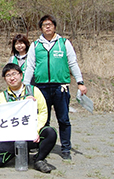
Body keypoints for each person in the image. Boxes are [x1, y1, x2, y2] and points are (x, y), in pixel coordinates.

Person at [23, 15, 88, 160]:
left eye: (50, 24)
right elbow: (30, 66)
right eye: (45, 25)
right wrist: (26, 86)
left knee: (63, 119)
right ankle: (43, 149)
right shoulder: (35, 45)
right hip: (41, 87)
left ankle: (66, 149)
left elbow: (73, 63)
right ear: (40, 28)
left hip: (61, 87)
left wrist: (80, 82)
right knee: (43, 120)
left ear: (54, 27)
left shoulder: (64, 43)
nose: (47, 27)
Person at [0, 63, 57, 173]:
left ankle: (39, 159)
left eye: (14, 74)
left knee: (50, 132)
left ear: (21, 75)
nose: (12, 78)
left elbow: (43, 112)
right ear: (4, 79)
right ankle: (18, 153)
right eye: (8, 75)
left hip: (32, 133)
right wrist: (23, 103)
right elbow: (6, 115)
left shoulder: (34, 90)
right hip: (14, 135)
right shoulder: (3, 96)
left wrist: (36, 130)